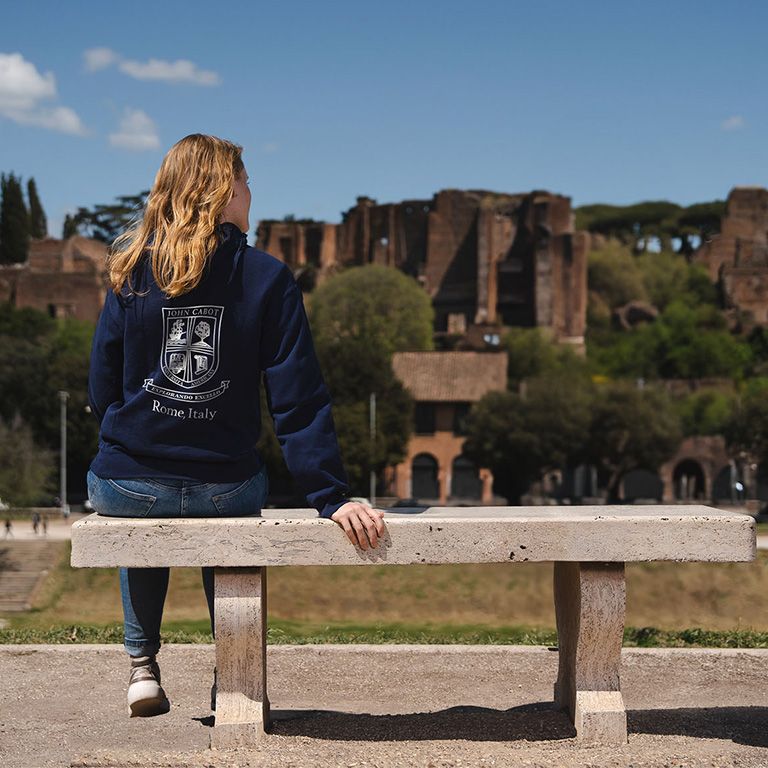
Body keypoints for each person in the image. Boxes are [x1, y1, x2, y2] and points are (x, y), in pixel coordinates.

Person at [86, 134, 387, 718]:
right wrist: (331, 495)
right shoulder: (268, 278)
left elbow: (103, 385)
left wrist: (133, 444)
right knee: (221, 511)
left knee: (138, 502)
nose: (253, 192)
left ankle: (142, 667)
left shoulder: (131, 272)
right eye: (245, 181)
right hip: (226, 484)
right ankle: (232, 673)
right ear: (223, 191)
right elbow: (297, 399)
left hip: (127, 483)